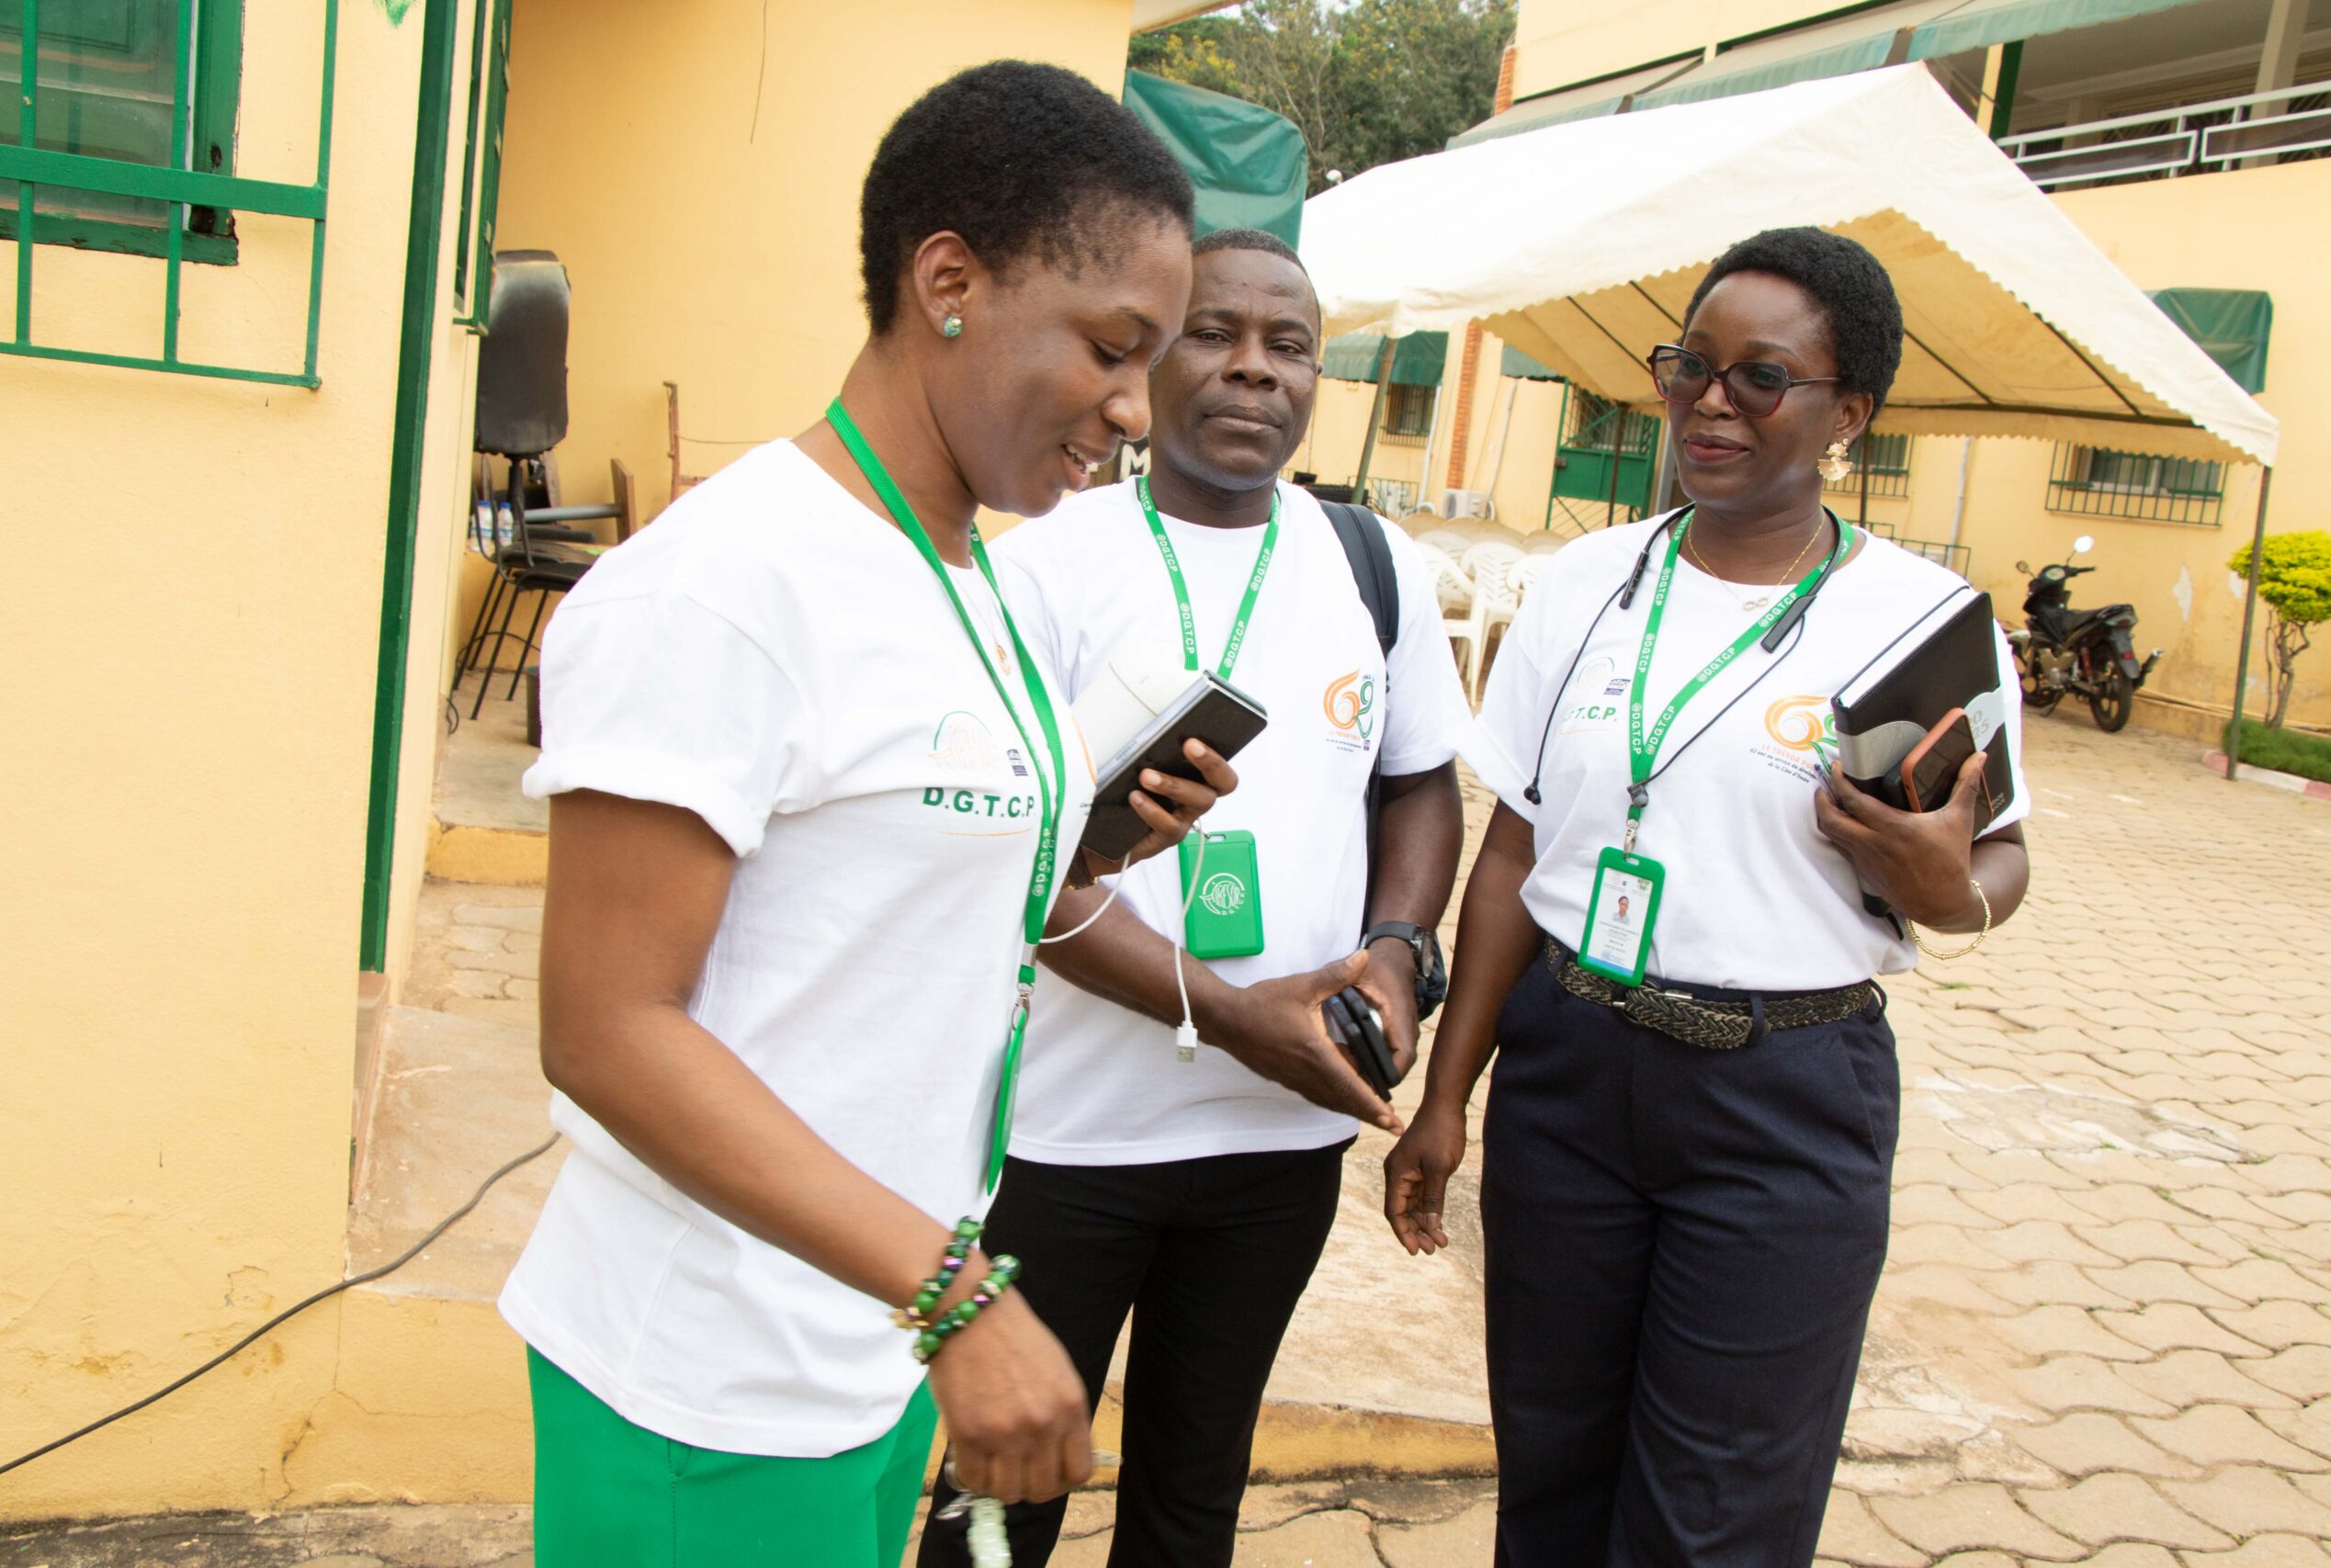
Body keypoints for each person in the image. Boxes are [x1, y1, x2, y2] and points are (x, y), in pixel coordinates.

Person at [499, 62, 1237, 1567]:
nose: (1131, 408)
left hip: (862, 1341)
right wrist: (959, 1298)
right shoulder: (727, 588)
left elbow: (876, 884)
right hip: (711, 1380)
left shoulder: (966, 572)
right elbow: (608, 1028)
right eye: (1113, 347)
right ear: (948, 281)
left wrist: (1086, 840)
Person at [1384, 227, 2032, 1565]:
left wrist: (1947, 888)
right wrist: (1448, 1098)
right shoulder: (1583, 585)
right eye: (1691, 366)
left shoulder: (1924, 620)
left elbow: (1998, 860)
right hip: (1569, 1074)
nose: (1712, 401)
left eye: (1763, 377)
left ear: (1849, 414)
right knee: (1552, 1474)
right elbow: (1514, 851)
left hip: (1782, 1100)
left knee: (1715, 1517)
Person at [917, 228, 1470, 1568]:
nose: (1253, 370)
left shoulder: (1372, 562)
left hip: (1279, 1137)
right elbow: (1015, 867)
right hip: (1068, 1134)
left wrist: (1399, 951)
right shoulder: (1041, 566)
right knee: (1000, 1489)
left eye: (1290, 347)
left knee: (1195, 1484)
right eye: (1215, 333)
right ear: (1154, 358)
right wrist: (1228, 1012)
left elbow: (1420, 785)